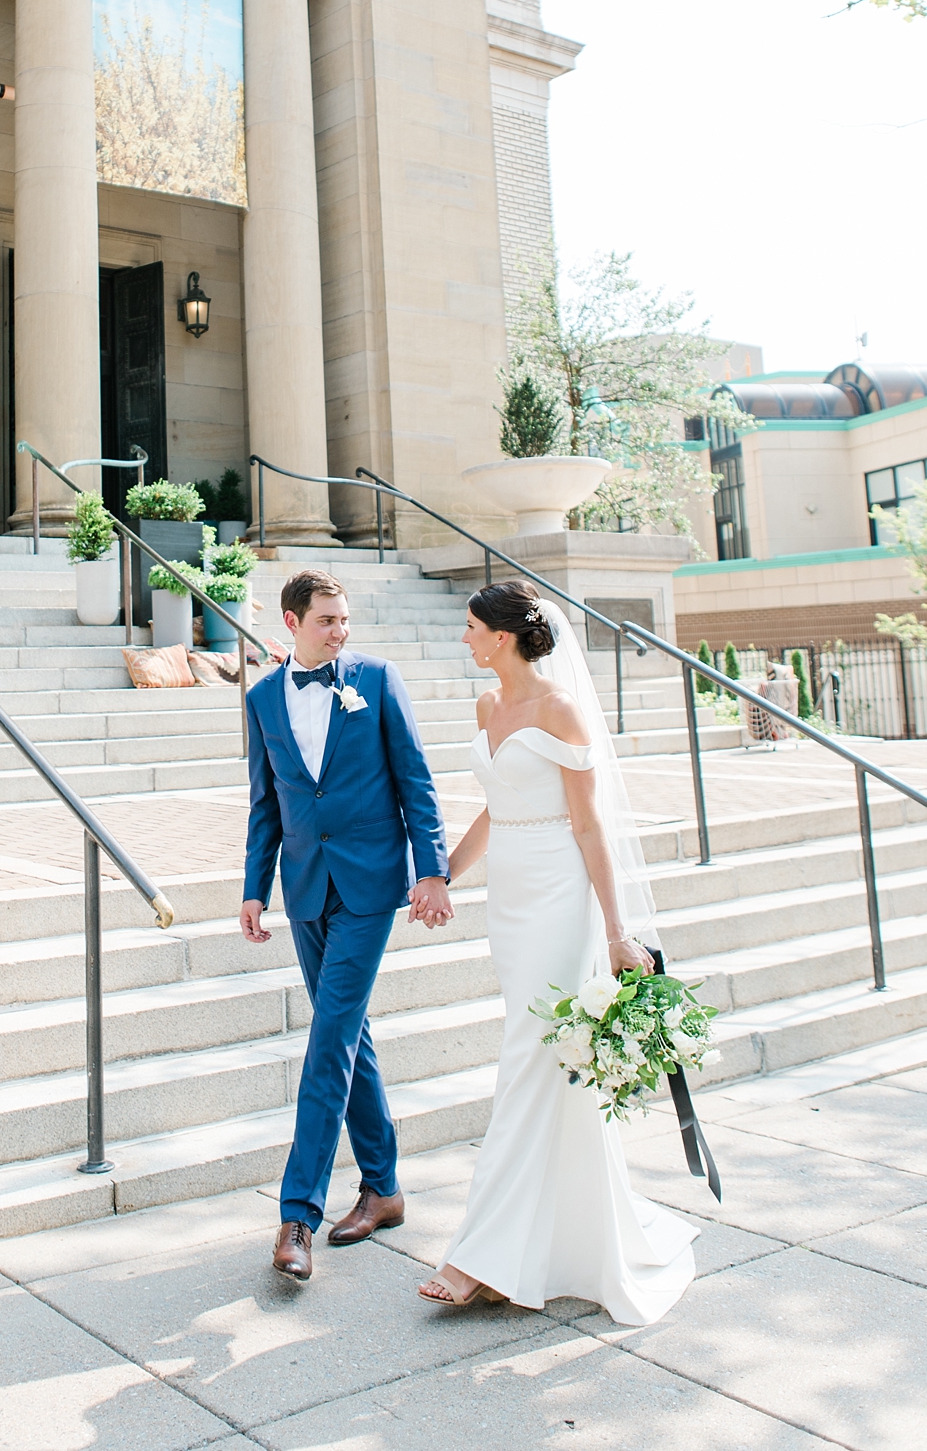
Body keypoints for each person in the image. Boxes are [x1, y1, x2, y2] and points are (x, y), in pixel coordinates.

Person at [417, 579, 697, 1326]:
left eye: (472, 628)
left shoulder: (561, 709)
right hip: (508, 899)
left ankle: (478, 1257)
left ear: (502, 637)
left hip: (559, 899)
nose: (465, 639)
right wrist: (442, 873)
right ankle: (557, 1241)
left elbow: (590, 826)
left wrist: (615, 929)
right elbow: (494, 808)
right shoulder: (487, 707)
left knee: (527, 1058)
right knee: (542, 1062)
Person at [241, 568, 451, 1282]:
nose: (341, 630)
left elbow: (415, 778)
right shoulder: (263, 698)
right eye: (328, 620)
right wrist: (252, 888)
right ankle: (384, 1190)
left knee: (329, 1039)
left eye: (345, 618)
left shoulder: (378, 679)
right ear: (293, 621)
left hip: (368, 886)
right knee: (350, 1035)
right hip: (304, 888)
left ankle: (296, 1213)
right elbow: (265, 801)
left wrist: (432, 870)